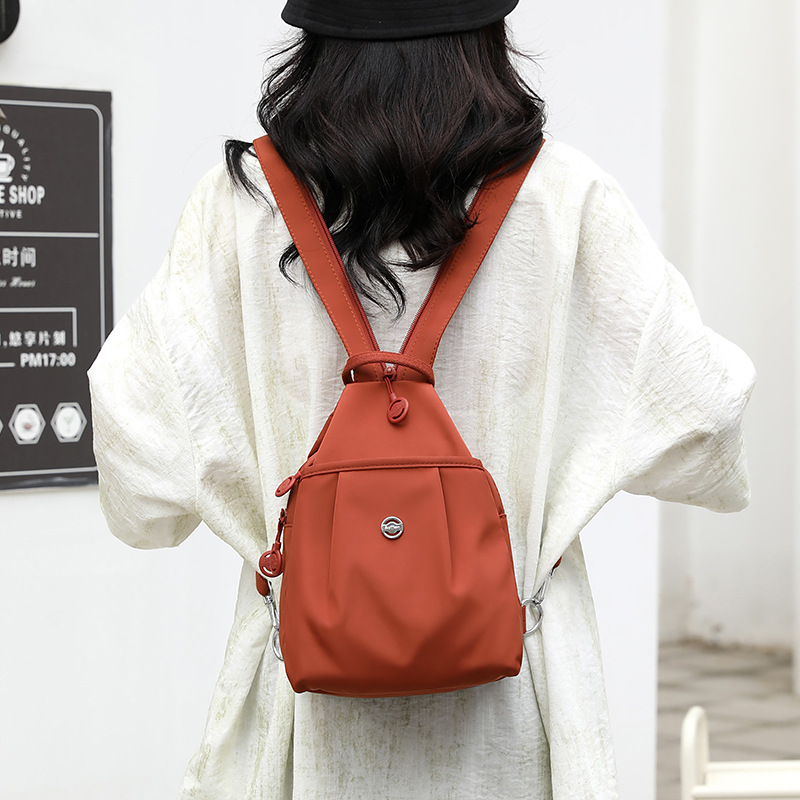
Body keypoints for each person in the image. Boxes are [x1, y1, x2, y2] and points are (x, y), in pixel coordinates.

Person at [88, 2, 755, 798]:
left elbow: (137, 462)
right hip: (516, 710)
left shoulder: (240, 207)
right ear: (484, 34)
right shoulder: (565, 199)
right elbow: (705, 414)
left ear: (317, 38)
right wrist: (560, 479)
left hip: (306, 710)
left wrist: (258, 518)